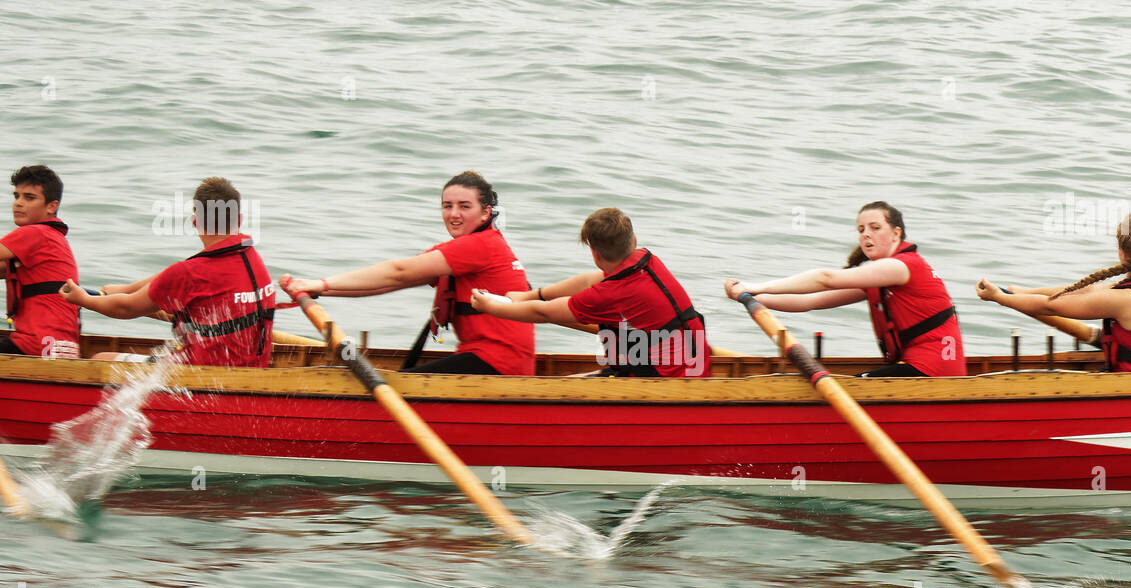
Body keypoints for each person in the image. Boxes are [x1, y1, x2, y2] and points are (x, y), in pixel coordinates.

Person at [280, 171, 533, 375]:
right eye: (447, 206)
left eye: (464, 206)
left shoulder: (480, 245)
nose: (454, 214)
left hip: (498, 366)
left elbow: (397, 272)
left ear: (486, 212)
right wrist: (319, 289)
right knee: (403, 380)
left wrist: (321, 283)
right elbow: (386, 285)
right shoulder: (468, 248)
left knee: (396, 387)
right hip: (494, 361)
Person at [723, 201, 965, 377]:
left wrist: (756, 285)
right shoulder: (880, 276)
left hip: (933, 370)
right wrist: (752, 297)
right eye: (861, 230)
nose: (866, 235)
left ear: (896, 233)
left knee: (856, 385)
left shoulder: (900, 266)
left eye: (875, 227)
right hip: (915, 367)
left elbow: (825, 278)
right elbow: (811, 301)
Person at [469, 207, 711, 377]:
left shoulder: (611, 294)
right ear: (634, 240)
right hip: (695, 369)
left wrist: (492, 308)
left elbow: (543, 314)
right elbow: (588, 281)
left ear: (595, 254)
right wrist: (529, 295)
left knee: (562, 389)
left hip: (666, 385)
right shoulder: (647, 260)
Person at [61, 177, 276, 367]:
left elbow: (125, 309)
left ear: (195, 222)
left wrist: (83, 300)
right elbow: (174, 276)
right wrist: (126, 289)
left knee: (100, 359)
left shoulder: (191, 273)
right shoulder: (251, 256)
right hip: (251, 366)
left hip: (203, 376)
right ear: (239, 220)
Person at [975, 214, 1131, 372]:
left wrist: (999, 298)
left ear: (1123, 254)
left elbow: (1050, 306)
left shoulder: (1124, 300)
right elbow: (1087, 290)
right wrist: (1024, 292)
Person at [1, 165, 80, 358]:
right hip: (61, 349)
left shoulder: (35, 232)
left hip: (35, 344)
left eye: (29, 197)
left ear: (51, 206)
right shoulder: (54, 238)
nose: (18, 203)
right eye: (16, 196)